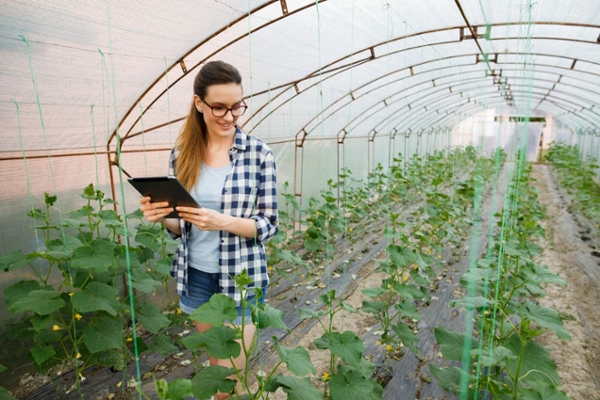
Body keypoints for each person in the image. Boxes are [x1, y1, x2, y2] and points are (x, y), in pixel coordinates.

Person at [140, 60, 278, 400]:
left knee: (231, 377)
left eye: (236, 107)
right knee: (217, 368)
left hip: (241, 278)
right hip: (197, 276)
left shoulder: (259, 154)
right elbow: (182, 225)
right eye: (219, 107)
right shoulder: (181, 154)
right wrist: (161, 216)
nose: (229, 117)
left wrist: (222, 222)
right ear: (199, 103)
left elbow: (268, 224)